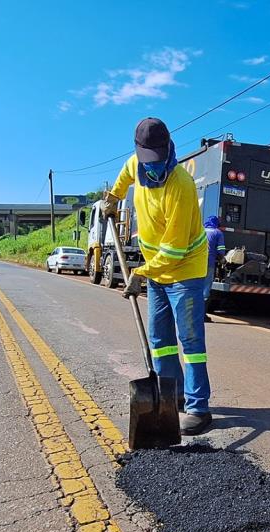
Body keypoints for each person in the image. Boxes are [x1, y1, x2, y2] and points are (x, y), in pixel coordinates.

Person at [105, 117, 213, 436]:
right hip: (156, 272)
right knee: (160, 341)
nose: (151, 167)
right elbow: (125, 176)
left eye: (157, 160)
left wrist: (140, 273)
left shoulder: (180, 184)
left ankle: (198, 407)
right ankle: (171, 395)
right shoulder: (135, 165)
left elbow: (175, 250)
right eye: (145, 160)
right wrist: (113, 197)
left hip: (185, 270)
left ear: (167, 150)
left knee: (191, 341)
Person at [203, 215, 225, 321]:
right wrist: (223, 260)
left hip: (196, 263)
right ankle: (202, 315)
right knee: (206, 290)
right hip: (209, 264)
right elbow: (220, 251)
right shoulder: (217, 232)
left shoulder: (200, 231)